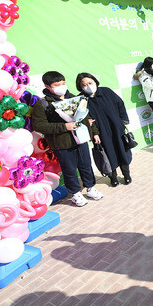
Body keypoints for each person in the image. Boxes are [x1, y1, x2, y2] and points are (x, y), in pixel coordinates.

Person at [32, 71, 104, 206]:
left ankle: (90, 188)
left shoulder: (74, 98)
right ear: (48, 87)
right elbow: (39, 125)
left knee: (86, 165)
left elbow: (87, 117)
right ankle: (76, 194)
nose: (61, 86)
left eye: (63, 83)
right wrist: (64, 126)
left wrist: (94, 132)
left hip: (81, 139)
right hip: (62, 144)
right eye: (57, 84)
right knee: (69, 169)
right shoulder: (43, 104)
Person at [76, 73, 133, 187]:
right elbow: (83, 118)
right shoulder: (82, 99)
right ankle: (113, 177)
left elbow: (120, 104)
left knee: (122, 152)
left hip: (116, 128)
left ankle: (126, 175)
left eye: (90, 83)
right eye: (84, 85)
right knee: (107, 154)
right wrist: (93, 134)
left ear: (95, 81)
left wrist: (122, 122)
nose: (88, 86)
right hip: (100, 132)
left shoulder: (106, 91)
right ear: (80, 87)